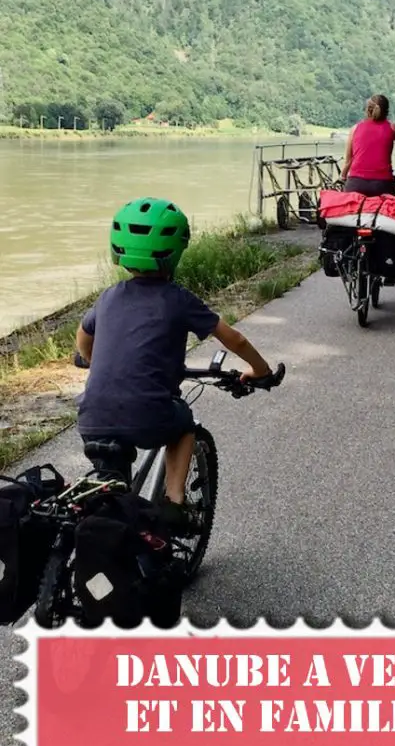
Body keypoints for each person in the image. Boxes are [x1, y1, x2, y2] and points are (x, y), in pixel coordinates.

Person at [75, 197, 274, 531]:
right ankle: (175, 502)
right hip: (148, 413)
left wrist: (92, 362)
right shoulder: (179, 299)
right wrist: (261, 370)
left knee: (111, 484)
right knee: (184, 424)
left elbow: (83, 334)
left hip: (92, 415)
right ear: (176, 251)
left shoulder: (108, 296)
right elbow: (233, 340)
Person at [341, 94, 395, 196]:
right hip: (383, 185)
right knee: (394, 209)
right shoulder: (394, 129)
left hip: (355, 184)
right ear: (387, 111)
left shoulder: (354, 129)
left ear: (367, 110)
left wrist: (342, 177)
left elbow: (348, 161)